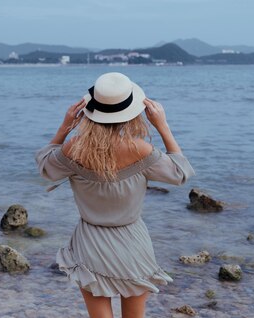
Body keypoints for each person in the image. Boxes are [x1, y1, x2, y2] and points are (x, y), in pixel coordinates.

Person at [35, 72, 195, 318]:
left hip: (89, 242)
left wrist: (64, 127)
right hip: (132, 242)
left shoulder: (73, 148)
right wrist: (162, 126)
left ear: (89, 112)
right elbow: (180, 173)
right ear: (132, 114)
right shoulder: (140, 150)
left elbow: (45, 166)